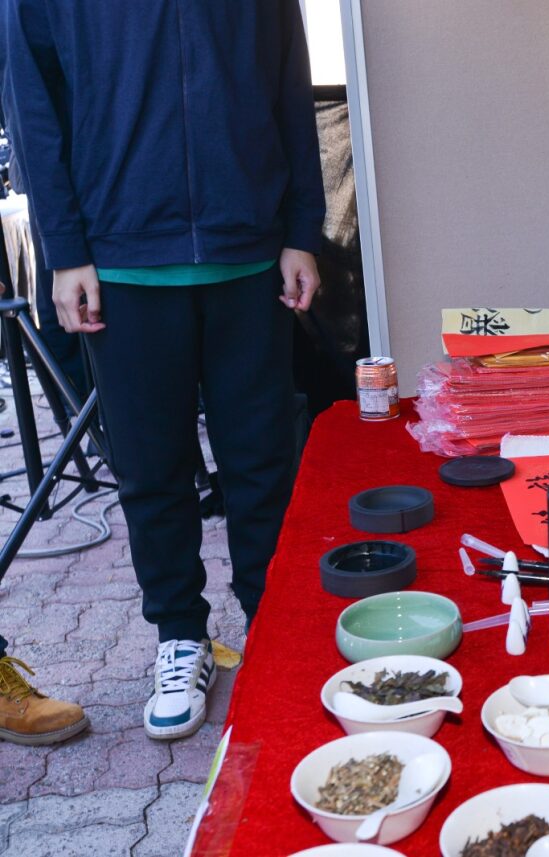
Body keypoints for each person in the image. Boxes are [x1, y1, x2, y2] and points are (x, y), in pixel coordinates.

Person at [3, 0, 324, 740]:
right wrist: (66, 250)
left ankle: (276, 627)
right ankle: (181, 638)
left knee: (264, 463)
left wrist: (302, 228)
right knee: (151, 471)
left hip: (248, 252)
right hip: (121, 261)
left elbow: (288, 83)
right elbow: (34, 106)